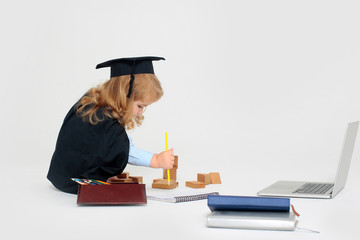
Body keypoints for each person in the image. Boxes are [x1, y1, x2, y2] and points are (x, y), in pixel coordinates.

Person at [47, 56, 174, 194]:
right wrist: (156, 160)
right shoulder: (105, 122)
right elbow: (125, 149)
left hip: (60, 175)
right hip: (77, 182)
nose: (141, 111)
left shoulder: (91, 106)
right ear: (124, 94)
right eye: (140, 106)